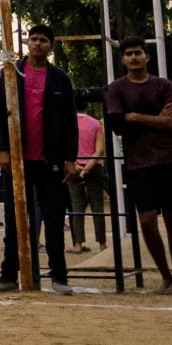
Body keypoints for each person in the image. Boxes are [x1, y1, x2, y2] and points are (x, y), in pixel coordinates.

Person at [0, 25, 78, 295]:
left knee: (54, 219)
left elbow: (69, 121)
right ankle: (8, 275)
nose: (38, 43)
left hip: (49, 161)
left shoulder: (60, 79)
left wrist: (70, 158)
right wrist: (3, 150)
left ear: (51, 46)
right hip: (17, 161)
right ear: (27, 44)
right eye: (34, 39)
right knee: (15, 219)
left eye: (43, 40)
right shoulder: (11, 73)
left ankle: (59, 277)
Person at [105, 38, 172, 293]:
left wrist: (136, 116)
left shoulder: (163, 85)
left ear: (147, 56)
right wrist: (155, 119)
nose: (133, 58)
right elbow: (117, 125)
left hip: (169, 159)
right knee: (147, 221)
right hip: (138, 163)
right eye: (128, 54)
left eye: (138, 53)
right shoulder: (116, 89)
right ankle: (164, 275)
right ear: (122, 60)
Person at [67, 101, 108, 252]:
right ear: (87, 107)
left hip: (73, 166)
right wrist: (88, 167)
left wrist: (76, 165)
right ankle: (102, 243)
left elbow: (64, 147)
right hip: (94, 167)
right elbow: (99, 150)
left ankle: (77, 243)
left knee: (76, 206)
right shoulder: (96, 123)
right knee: (97, 205)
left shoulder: (67, 123)